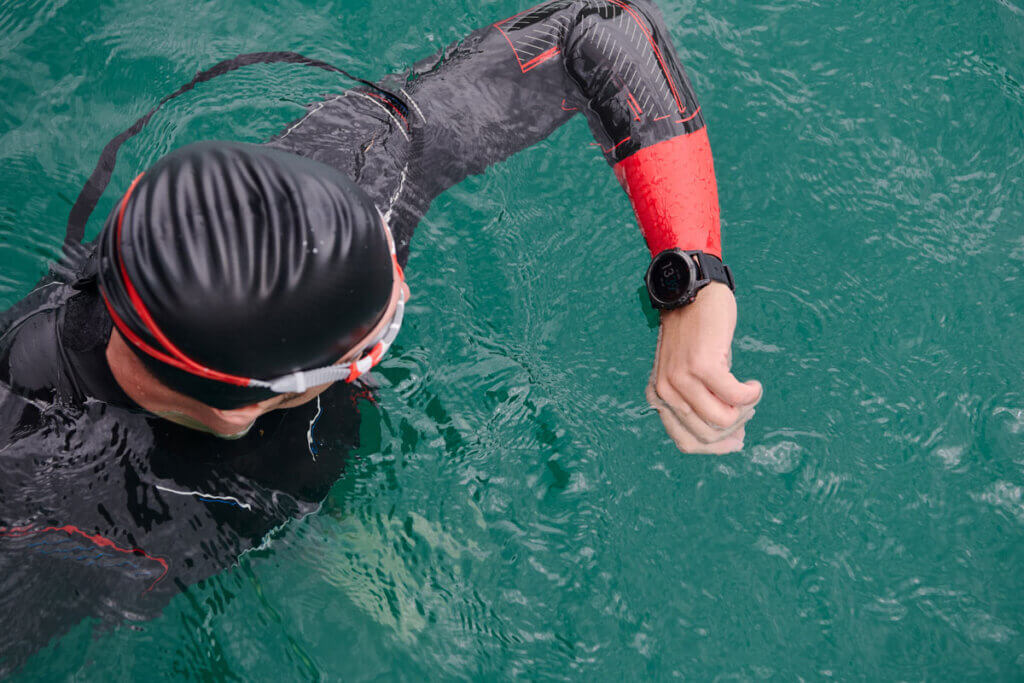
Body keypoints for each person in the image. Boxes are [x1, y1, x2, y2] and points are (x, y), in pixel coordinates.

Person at [0, 0, 761, 672]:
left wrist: (692, 278)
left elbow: (598, 27)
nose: (407, 287)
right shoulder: (46, 505)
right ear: (244, 407)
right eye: (376, 339)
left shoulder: (352, 164)